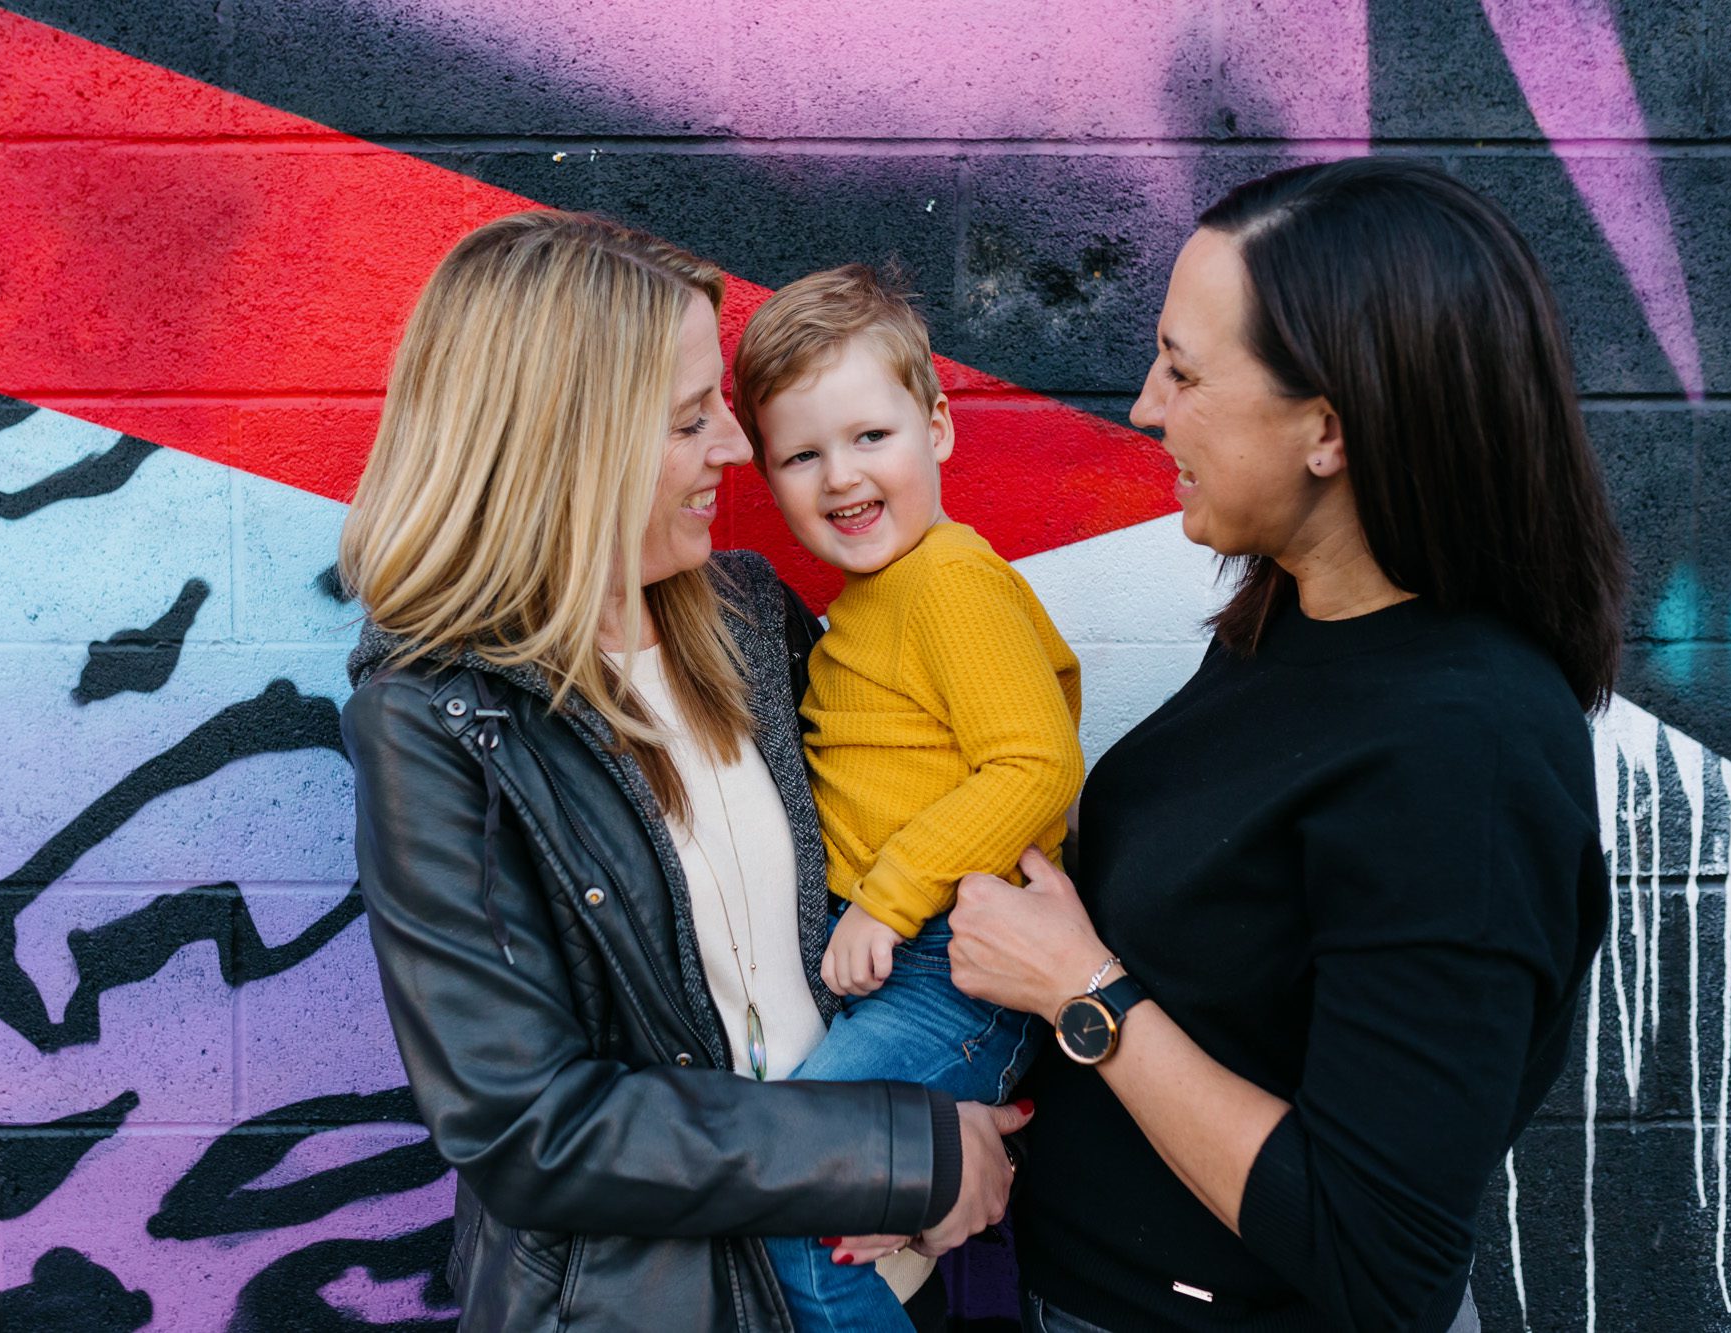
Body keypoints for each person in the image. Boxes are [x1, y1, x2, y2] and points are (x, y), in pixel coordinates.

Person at [944, 158, 1622, 1332]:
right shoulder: (1293, 617)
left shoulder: (1466, 757)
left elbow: (1380, 1257)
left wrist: (1080, 992)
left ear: (1327, 426)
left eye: (1185, 371)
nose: (1145, 407)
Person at [336, 210, 1029, 1332]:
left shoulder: (750, 617)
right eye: (689, 419)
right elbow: (531, 1128)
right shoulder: (434, 721)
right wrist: (903, 1153)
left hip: (888, 1268)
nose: (737, 450)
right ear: (571, 440)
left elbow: (930, 833)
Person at [730, 265, 1084, 1332]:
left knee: (785, 1201)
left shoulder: (945, 580)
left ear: (937, 426)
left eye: (869, 437)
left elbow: (1033, 765)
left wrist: (886, 899)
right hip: (906, 972)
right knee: (824, 1212)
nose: (840, 475)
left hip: (949, 969)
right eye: (801, 454)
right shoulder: (870, 602)